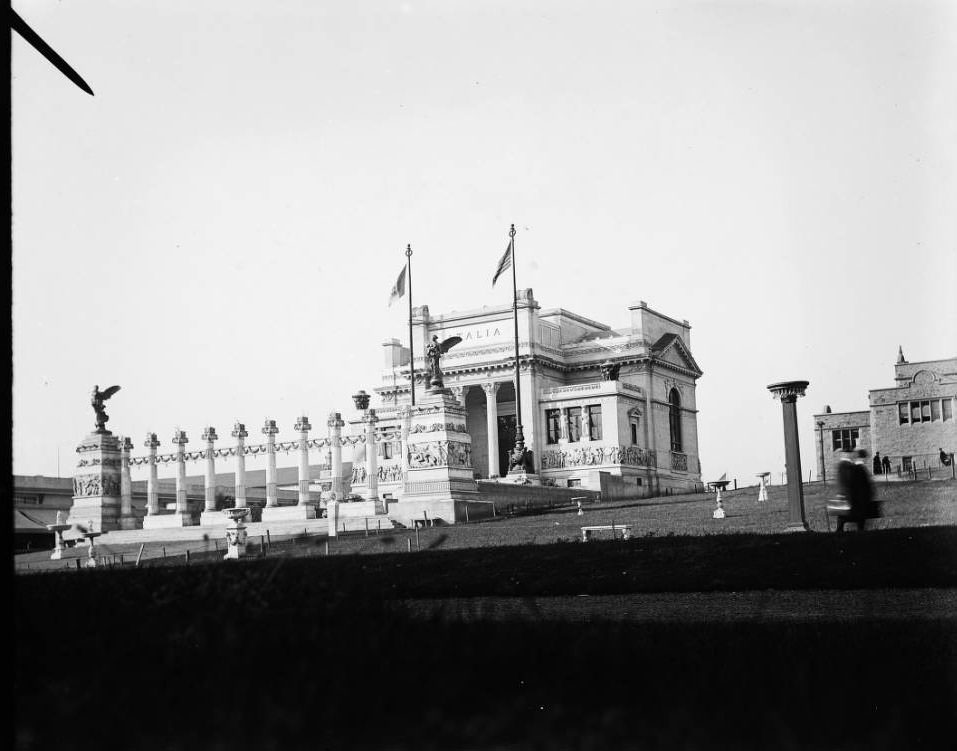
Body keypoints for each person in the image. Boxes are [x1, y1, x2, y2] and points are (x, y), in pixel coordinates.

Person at [836, 448, 875, 532]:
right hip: (852, 498)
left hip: (849, 497)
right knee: (853, 520)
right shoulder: (853, 467)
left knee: (845, 520)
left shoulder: (848, 466)